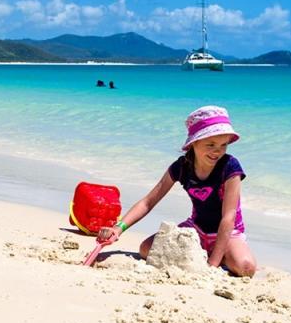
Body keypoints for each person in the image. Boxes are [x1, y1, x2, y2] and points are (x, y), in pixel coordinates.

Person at [97, 106, 256, 276]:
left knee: (246, 268)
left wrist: (212, 265)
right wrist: (118, 228)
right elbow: (148, 202)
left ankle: (220, 254)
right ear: (194, 143)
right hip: (196, 229)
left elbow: (228, 217)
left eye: (223, 145)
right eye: (210, 144)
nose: (217, 151)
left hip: (228, 233)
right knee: (145, 249)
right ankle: (203, 251)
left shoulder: (230, 167)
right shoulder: (182, 167)